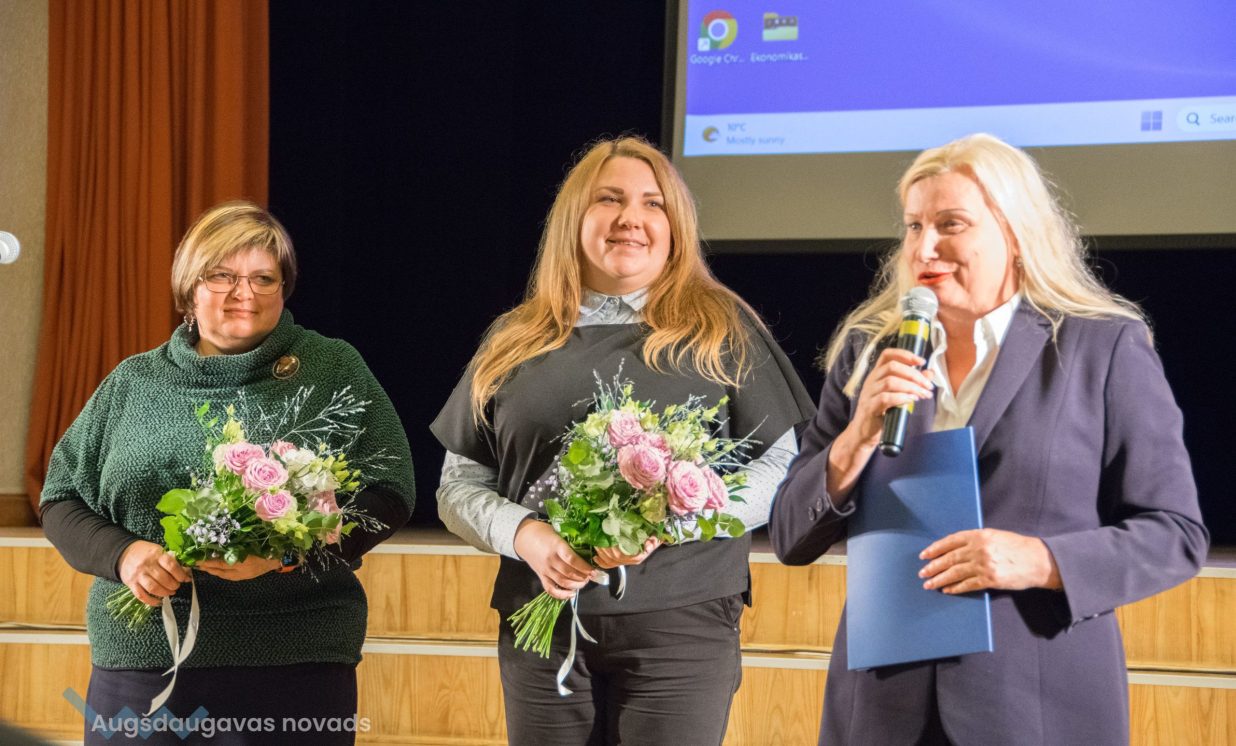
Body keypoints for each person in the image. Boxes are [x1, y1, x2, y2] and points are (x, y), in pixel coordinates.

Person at [769, 133, 1209, 744]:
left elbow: (1175, 535)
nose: (924, 247)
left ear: (1015, 231)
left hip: (1036, 707)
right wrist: (857, 437)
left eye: (950, 224)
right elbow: (790, 536)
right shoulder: (869, 353)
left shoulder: (1101, 347)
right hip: (882, 710)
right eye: (914, 226)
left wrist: (1042, 561)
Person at [431, 136, 814, 745]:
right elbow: (459, 485)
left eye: (652, 203)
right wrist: (525, 536)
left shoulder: (721, 329)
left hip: (682, 623)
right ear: (573, 219)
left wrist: (675, 520)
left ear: (675, 226)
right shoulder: (513, 338)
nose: (631, 218)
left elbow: (781, 469)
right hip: (543, 622)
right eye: (608, 199)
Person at [39, 201, 416, 745]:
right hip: (145, 657)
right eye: (223, 276)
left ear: (284, 288)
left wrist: (288, 553)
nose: (246, 293)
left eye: (264, 278)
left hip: (296, 657)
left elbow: (390, 490)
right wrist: (125, 556)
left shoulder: (332, 367)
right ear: (189, 288)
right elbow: (61, 498)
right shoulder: (134, 381)